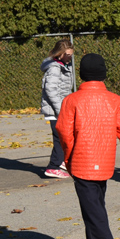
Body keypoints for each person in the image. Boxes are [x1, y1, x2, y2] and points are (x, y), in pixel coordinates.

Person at [56, 54, 120, 239]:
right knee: (94, 206)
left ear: (81, 75)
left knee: (93, 210)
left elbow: (65, 134)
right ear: (103, 74)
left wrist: (68, 158)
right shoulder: (115, 100)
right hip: (104, 163)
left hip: (82, 163)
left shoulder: (71, 100)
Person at [40, 39, 74, 178]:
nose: (70, 57)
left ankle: (62, 161)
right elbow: (51, 90)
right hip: (55, 110)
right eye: (67, 54)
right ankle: (53, 167)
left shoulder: (64, 64)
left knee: (66, 136)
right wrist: (61, 110)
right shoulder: (54, 68)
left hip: (62, 108)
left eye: (71, 54)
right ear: (60, 54)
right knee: (60, 138)